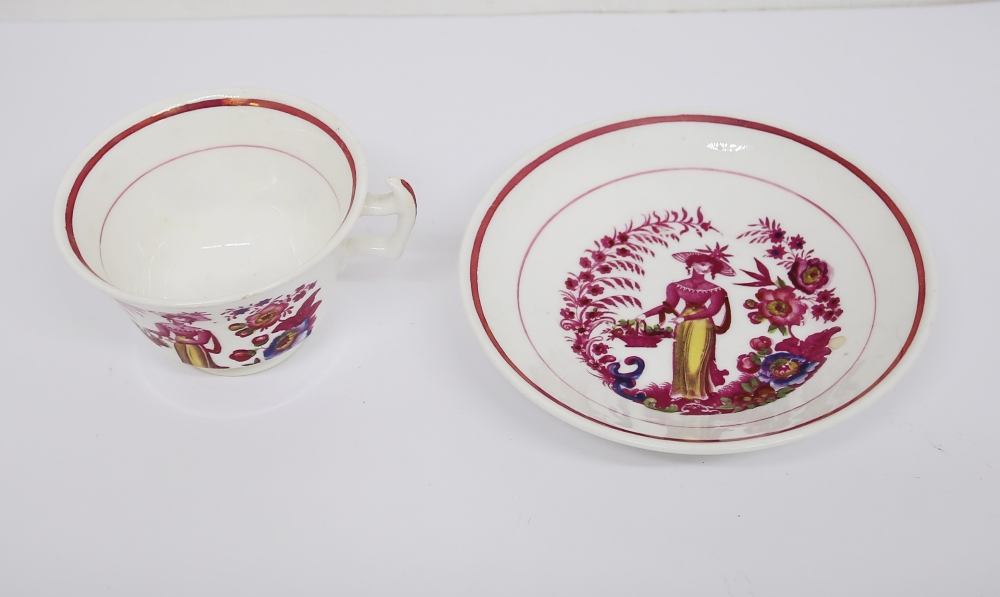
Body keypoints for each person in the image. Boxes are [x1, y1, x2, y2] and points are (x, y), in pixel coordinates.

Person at [644, 244, 734, 400]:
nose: (706, 268)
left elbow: (712, 310)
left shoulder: (715, 289)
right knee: (681, 356)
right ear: (692, 263)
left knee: (696, 356)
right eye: (703, 264)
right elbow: (669, 305)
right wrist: (645, 315)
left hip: (702, 323)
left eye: (710, 267)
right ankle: (680, 389)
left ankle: (697, 391)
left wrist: (685, 318)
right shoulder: (676, 285)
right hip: (683, 324)